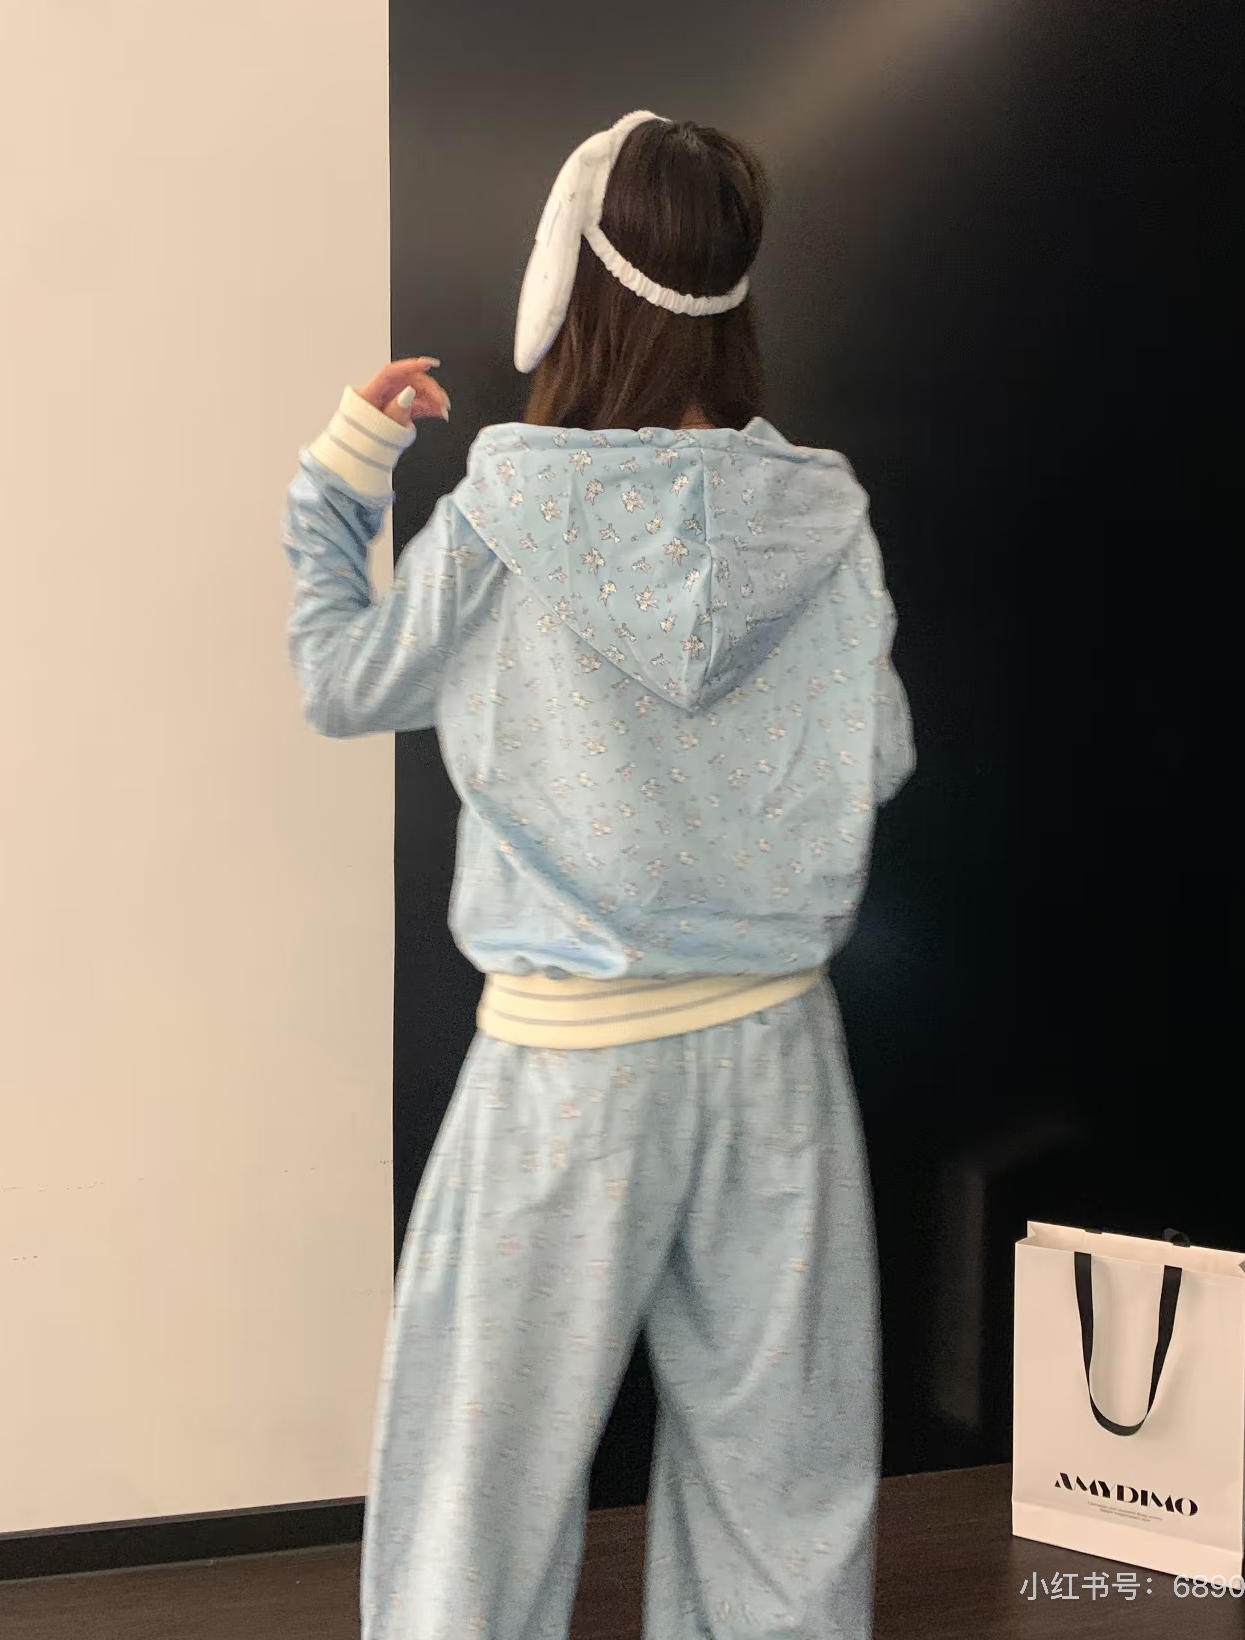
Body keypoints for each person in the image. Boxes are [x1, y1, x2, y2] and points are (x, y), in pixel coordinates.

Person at [281, 112, 916, 1640]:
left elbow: (344, 680)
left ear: (567, 280)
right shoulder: (823, 514)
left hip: (570, 1075)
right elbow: (882, 754)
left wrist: (341, 479)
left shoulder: (506, 513)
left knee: (476, 1496)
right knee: (785, 1492)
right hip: (777, 1059)